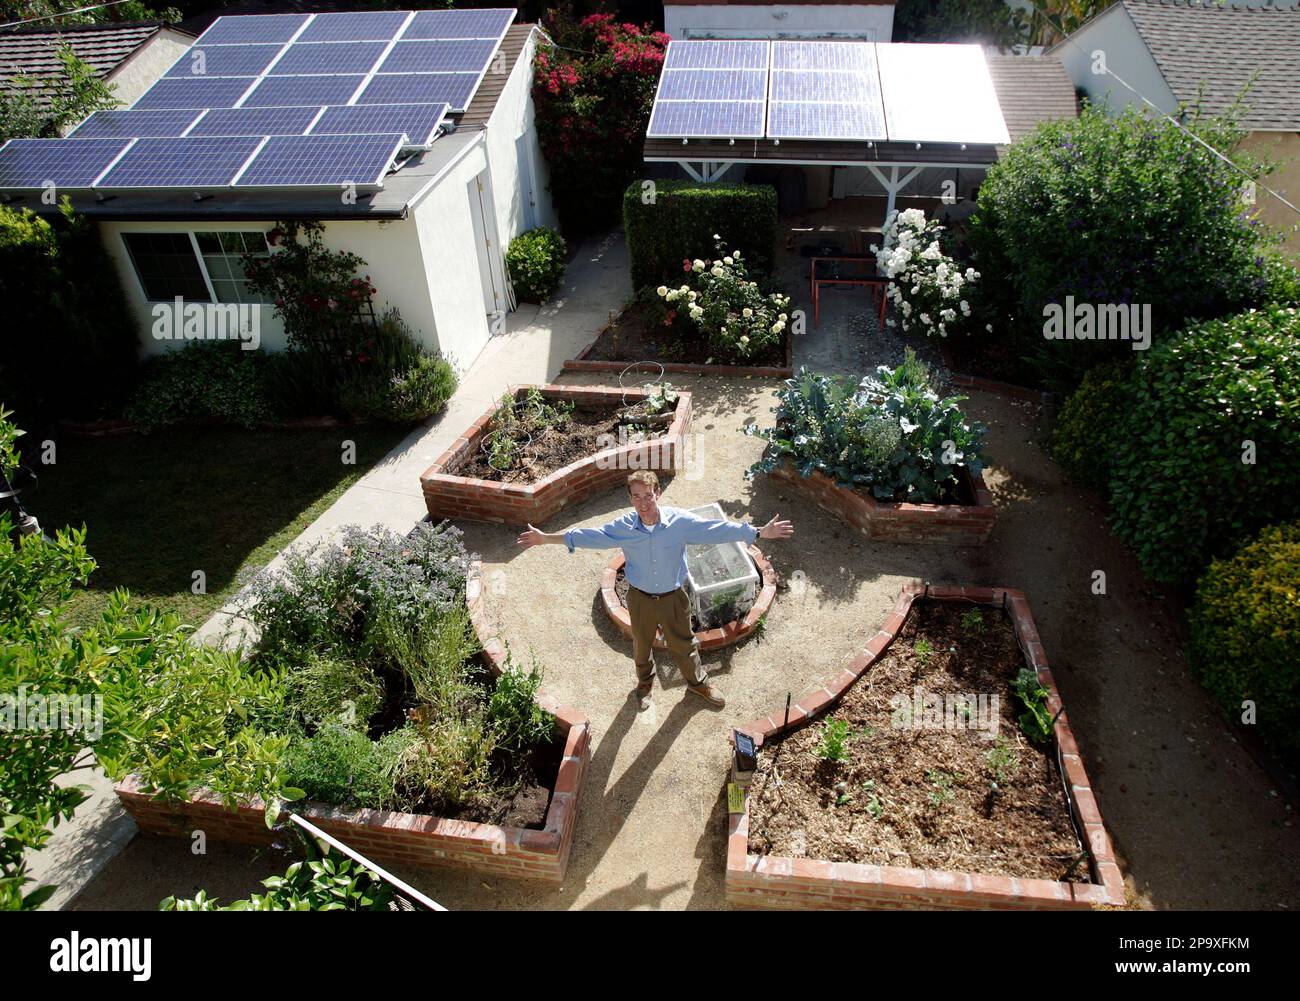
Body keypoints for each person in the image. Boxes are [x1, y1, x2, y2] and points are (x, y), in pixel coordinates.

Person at [516, 470, 794, 711]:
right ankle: (645, 684)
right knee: (641, 643)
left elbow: (716, 530)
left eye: (647, 495)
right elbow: (589, 536)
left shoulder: (679, 522)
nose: (643, 503)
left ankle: (698, 684)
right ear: (630, 498)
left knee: (684, 644)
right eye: (636, 497)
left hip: (674, 598)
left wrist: (758, 533)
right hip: (639, 598)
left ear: (657, 493)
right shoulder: (623, 527)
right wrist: (545, 539)